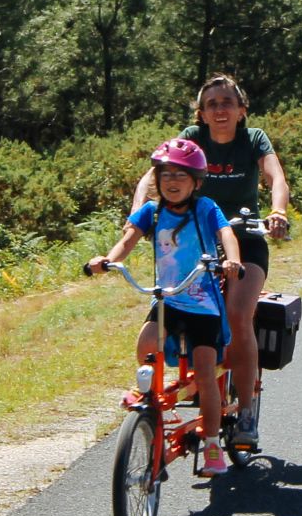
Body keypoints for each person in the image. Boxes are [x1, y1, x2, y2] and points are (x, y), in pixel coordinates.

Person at [132, 74, 290, 454]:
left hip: (244, 242)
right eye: (212, 104)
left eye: (227, 103)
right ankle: (180, 392)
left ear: (241, 110)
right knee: (165, 316)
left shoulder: (253, 140)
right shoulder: (191, 138)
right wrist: (138, 211)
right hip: (194, 246)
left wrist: (277, 211)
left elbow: (275, 176)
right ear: (201, 113)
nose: (220, 110)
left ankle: (247, 412)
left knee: (238, 314)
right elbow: (152, 178)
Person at [90, 138, 244, 478]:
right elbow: (128, 239)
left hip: (203, 303)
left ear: (197, 182)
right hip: (168, 299)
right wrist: (108, 261)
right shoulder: (152, 212)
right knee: (146, 343)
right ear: (157, 179)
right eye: (166, 174)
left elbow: (226, 233)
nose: (172, 182)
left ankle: (213, 442)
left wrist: (232, 260)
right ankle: (149, 398)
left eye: (181, 175)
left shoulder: (205, 208)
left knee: (205, 373)